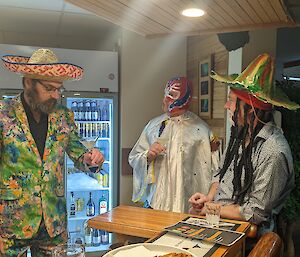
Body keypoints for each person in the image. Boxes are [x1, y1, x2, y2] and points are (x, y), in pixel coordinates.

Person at [0, 49, 104, 256]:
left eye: (59, 89)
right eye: (49, 88)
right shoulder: (3, 113)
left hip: (53, 223)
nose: (56, 95)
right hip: (11, 225)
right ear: (29, 83)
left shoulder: (63, 116)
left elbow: (79, 155)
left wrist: (93, 159)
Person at [189, 53, 299, 235]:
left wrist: (210, 208)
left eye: (231, 100)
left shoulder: (273, 151)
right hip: (218, 222)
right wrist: (208, 198)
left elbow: (256, 212)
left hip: (248, 236)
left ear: (250, 109)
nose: (226, 106)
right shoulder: (239, 137)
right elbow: (220, 174)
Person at [129, 76, 219, 213]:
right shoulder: (153, 126)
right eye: (165, 94)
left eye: (171, 95)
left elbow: (215, 170)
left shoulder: (202, 131)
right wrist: (147, 156)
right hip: (156, 203)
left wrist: (208, 199)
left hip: (190, 206)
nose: (165, 99)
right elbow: (134, 158)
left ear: (184, 98)